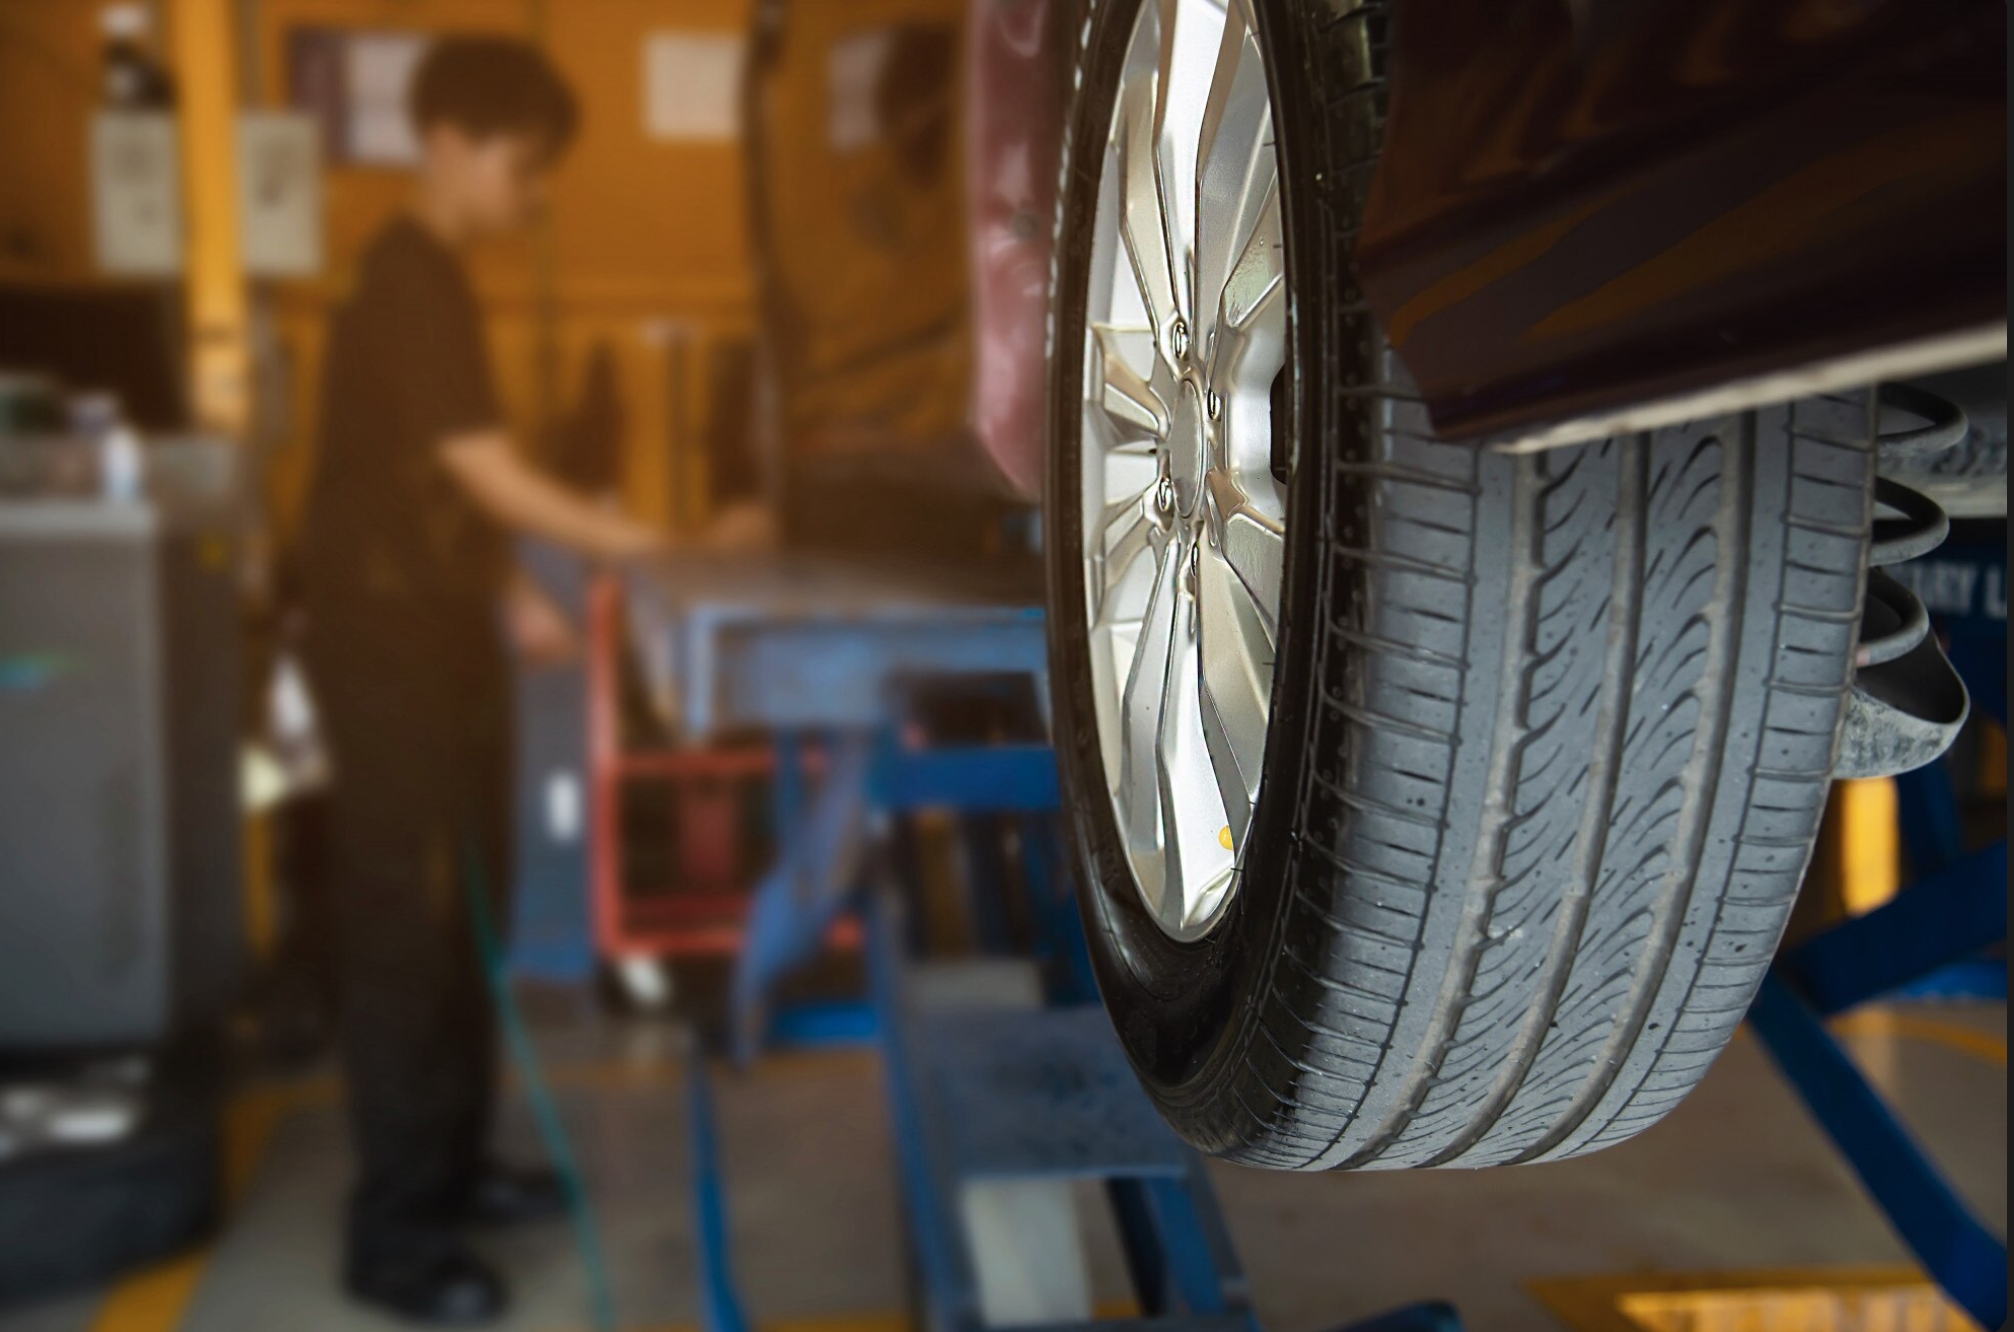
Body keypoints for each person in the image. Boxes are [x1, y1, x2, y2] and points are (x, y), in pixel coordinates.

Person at [296, 36, 764, 1324]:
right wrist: (677, 545)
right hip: (383, 656)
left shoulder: (431, 279)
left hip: (442, 639)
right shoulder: (407, 280)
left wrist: (504, 592)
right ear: (447, 138)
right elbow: (492, 472)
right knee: (412, 936)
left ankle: (448, 1174)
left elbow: (435, 485)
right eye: (524, 165)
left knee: (471, 917)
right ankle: (394, 1241)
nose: (537, 194)